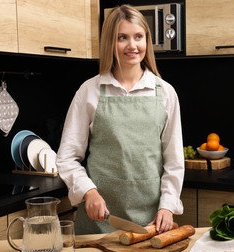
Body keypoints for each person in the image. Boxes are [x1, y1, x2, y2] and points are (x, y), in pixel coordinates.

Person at [56, 4, 184, 235]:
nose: (132, 46)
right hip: (99, 221)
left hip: (150, 223)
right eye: (122, 38)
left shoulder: (165, 93)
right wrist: (89, 192)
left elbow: (174, 161)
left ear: (147, 40)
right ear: (110, 43)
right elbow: (67, 157)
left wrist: (167, 206)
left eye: (138, 37)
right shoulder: (89, 91)